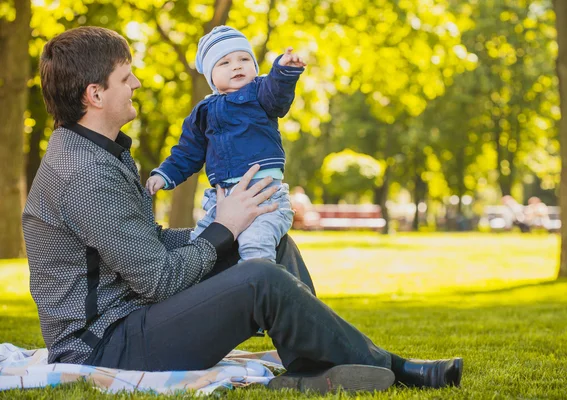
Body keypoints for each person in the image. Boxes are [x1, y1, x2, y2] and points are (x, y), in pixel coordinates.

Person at [23, 26, 463, 394]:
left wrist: (232, 225)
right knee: (261, 278)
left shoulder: (102, 153)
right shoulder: (81, 172)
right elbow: (157, 279)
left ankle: (307, 369)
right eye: (126, 77)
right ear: (95, 94)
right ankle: (398, 368)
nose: (137, 83)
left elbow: (146, 242)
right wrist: (222, 227)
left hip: (133, 316)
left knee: (272, 240)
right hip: (106, 344)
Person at [146, 25, 303, 264]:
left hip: (263, 194)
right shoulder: (202, 112)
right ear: (211, 76)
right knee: (199, 247)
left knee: (255, 244)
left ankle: (260, 290)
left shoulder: (260, 93)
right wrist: (165, 174)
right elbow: (187, 153)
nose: (237, 66)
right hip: (221, 201)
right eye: (225, 63)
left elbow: (277, 96)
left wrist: (283, 72)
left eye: (243, 59)